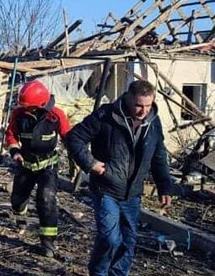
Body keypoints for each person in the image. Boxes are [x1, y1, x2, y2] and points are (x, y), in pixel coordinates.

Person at [64, 80, 173, 276]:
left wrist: (165, 186)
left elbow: (159, 156)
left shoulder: (153, 122)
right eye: (139, 105)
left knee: (128, 242)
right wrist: (90, 163)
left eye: (148, 105)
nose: (143, 110)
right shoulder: (106, 116)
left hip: (133, 193)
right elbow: (74, 138)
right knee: (110, 238)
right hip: (106, 188)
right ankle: (98, 273)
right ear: (128, 98)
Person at [4, 80, 71, 257]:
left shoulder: (56, 115)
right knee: (17, 199)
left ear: (40, 105)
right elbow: (10, 135)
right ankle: (21, 218)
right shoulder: (18, 114)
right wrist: (15, 151)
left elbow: (68, 137)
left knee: (47, 198)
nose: (26, 110)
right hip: (25, 164)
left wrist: (77, 160)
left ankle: (48, 243)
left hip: (47, 165)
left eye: (30, 108)